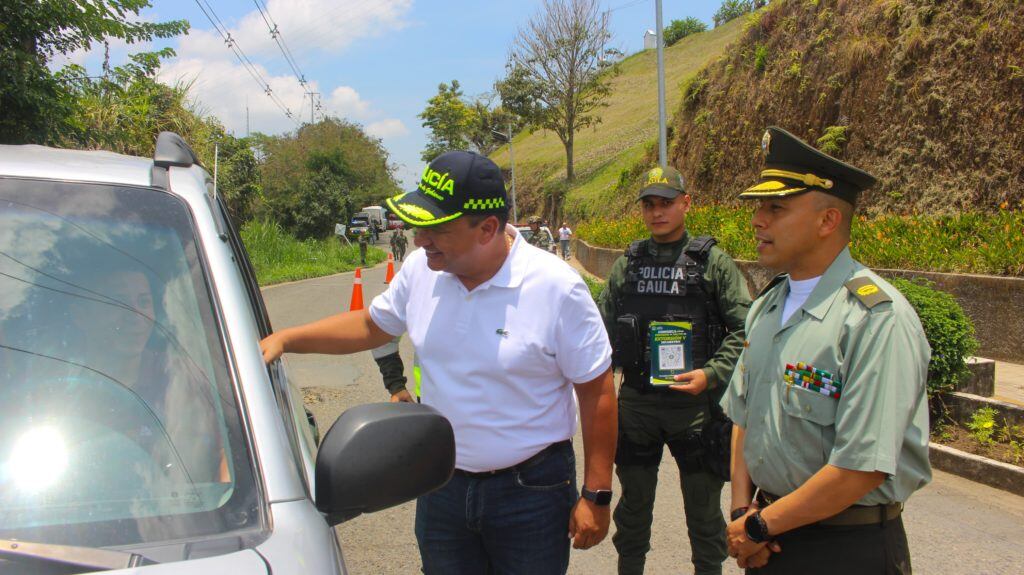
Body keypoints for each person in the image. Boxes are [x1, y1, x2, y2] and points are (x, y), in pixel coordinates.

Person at [259, 150, 617, 574]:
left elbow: (597, 392)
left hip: (531, 492)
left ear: (487, 229)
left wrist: (596, 495)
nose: (418, 239)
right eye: (418, 226)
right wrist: (285, 339)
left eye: (435, 229)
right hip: (441, 484)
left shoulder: (556, 288)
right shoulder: (421, 270)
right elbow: (373, 326)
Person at [721, 127, 931, 573]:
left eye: (776, 207)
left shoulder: (875, 317)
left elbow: (862, 468)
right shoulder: (767, 306)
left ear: (827, 221)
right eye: (759, 207)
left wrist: (758, 528)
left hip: (847, 547)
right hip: (768, 540)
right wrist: (743, 513)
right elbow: (745, 417)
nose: (758, 219)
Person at [598, 166, 752, 575]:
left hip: (696, 409)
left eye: (666, 203)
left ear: (686, 203)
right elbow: (600, 331)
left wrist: (713, 373)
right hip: (637, 407)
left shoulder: (712, 263)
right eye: (649, 204)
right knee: (632, 511)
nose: (656, 212)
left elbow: (745, 328)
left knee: (704, 515)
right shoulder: (627, 265)